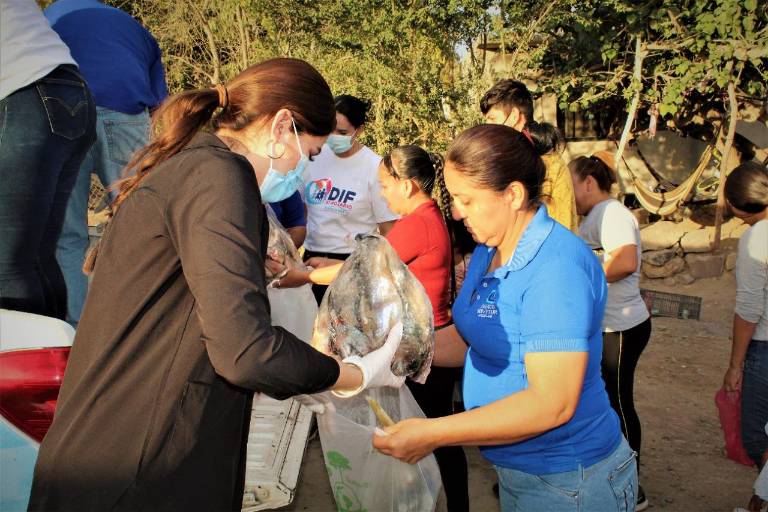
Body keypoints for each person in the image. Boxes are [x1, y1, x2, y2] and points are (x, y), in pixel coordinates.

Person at [28, 58, 405, 512]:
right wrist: (351, 375)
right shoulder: (221, 176)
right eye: (309, 154)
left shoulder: (192, 168)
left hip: (111, 455)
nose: (303, 169)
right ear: (281, 126)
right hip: (134, 471)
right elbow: (244, 351)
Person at [372, 124, 637, 511]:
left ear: (512, 194)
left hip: (570, 479)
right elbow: (470, 338)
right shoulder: (489, 248)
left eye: (466, 199)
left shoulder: (556, 268)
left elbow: (552, 404)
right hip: (520, 473)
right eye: (453, 198)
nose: (457, 213)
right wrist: (389, 353)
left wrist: (433, 433)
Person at [274, 145, 470, 511]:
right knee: (435, 434)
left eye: (384, 185)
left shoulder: (418, 223)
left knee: (435, 436)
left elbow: (362, 268)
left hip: (426, 349)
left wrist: (303, 275)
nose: (382, 193)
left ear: (408, 185)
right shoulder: (430, 218)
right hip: (429, 341)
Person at [45, 0, 168, 327]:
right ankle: (145, 326)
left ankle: (76, 332)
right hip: (125, 111)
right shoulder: (130, 25)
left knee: (66, 235)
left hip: (62, 113)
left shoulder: (48, 17)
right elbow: (159, 105)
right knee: (145, 228)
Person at [0, 0, 96, 320]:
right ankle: (57, 361)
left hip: (22, 91)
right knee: (38, 257)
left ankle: (18, 367)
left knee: (7, 264)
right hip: (69, 91)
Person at [569, 153, 652, 510]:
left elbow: (625, 261)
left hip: (620, 326)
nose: (569, 195)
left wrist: (576, 273)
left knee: (619, 404)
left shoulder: (612, 213)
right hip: (607, 326)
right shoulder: (595, 217)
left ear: (589, 181)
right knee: (607, 404)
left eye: (571, 185)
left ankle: (633, 488)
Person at [302, 94, 398, 303]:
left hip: (352, 263)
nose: (334, 136)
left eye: (342, 132)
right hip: (311, 259)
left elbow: (389, 231)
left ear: (360, 129)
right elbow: (303, 210)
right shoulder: (314, 156)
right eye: (330, 129)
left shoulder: (374, 167)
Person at [722, 161, 768, 511]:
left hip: (764, 348)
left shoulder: (757, 237)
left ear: (739, 205)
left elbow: (749, 311)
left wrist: (735, 365)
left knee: (756, 436)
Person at [480, 79, 579, 232]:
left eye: (492, 119)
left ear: (513, 116)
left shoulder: (546, 161)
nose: (488, 128)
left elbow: (558, 226)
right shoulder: (513, 157)